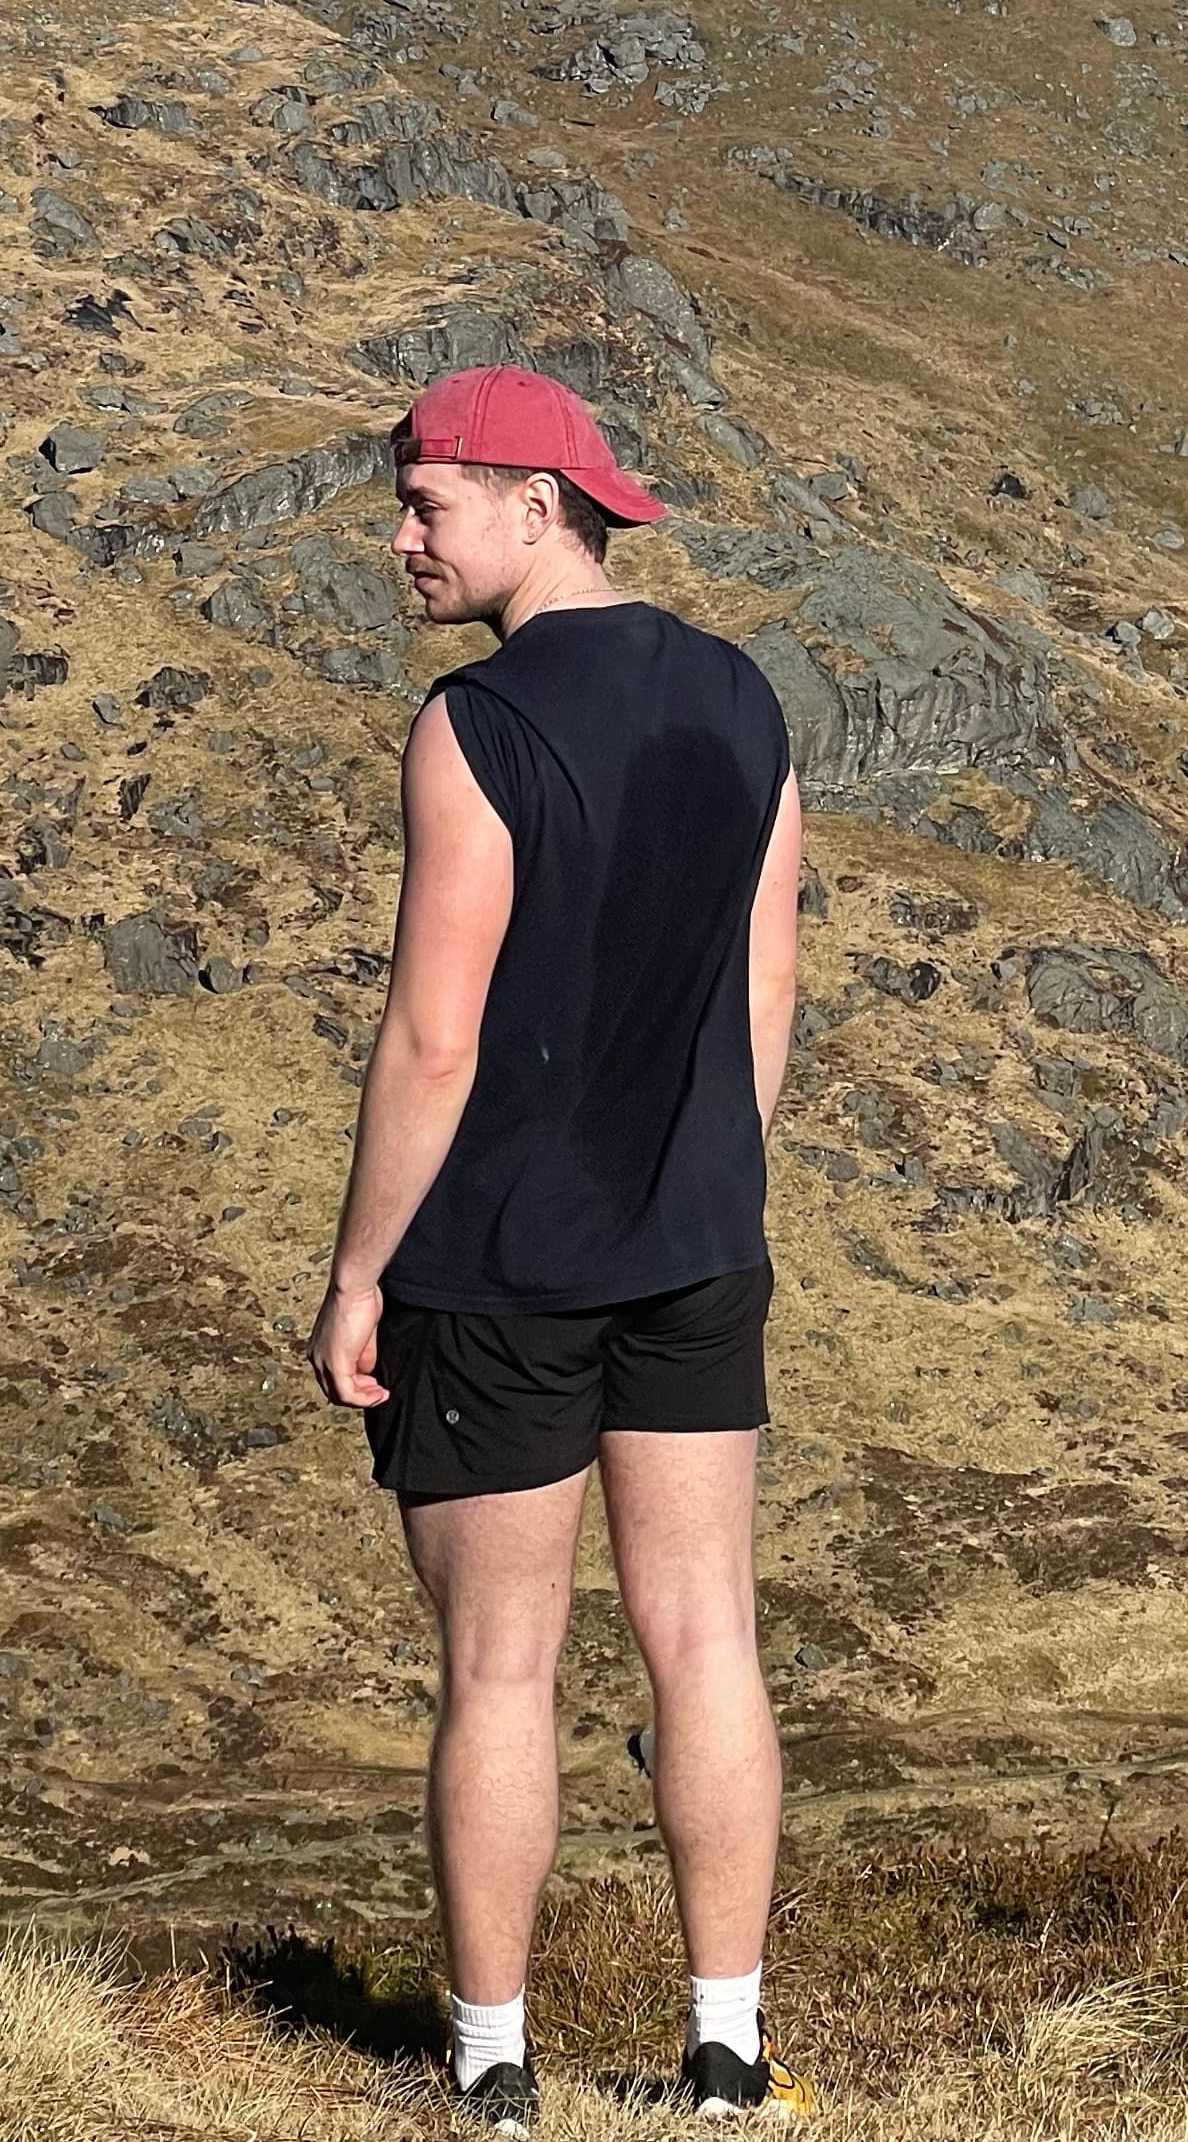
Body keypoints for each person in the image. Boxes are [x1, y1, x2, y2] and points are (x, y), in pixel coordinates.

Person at [305, 365, 811, 2129]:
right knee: (708, 1638)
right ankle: (727, 2051)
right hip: (697, 1246)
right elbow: (763, 997)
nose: (402, 540)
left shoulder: (476, 726)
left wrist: (359, 1274)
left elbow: (433, 1039)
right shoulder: (744, 698)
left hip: (499, 1266)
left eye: (424, 505)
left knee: (500, 1668)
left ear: (538, 505)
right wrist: (704, 1186)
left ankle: (496, 2068)